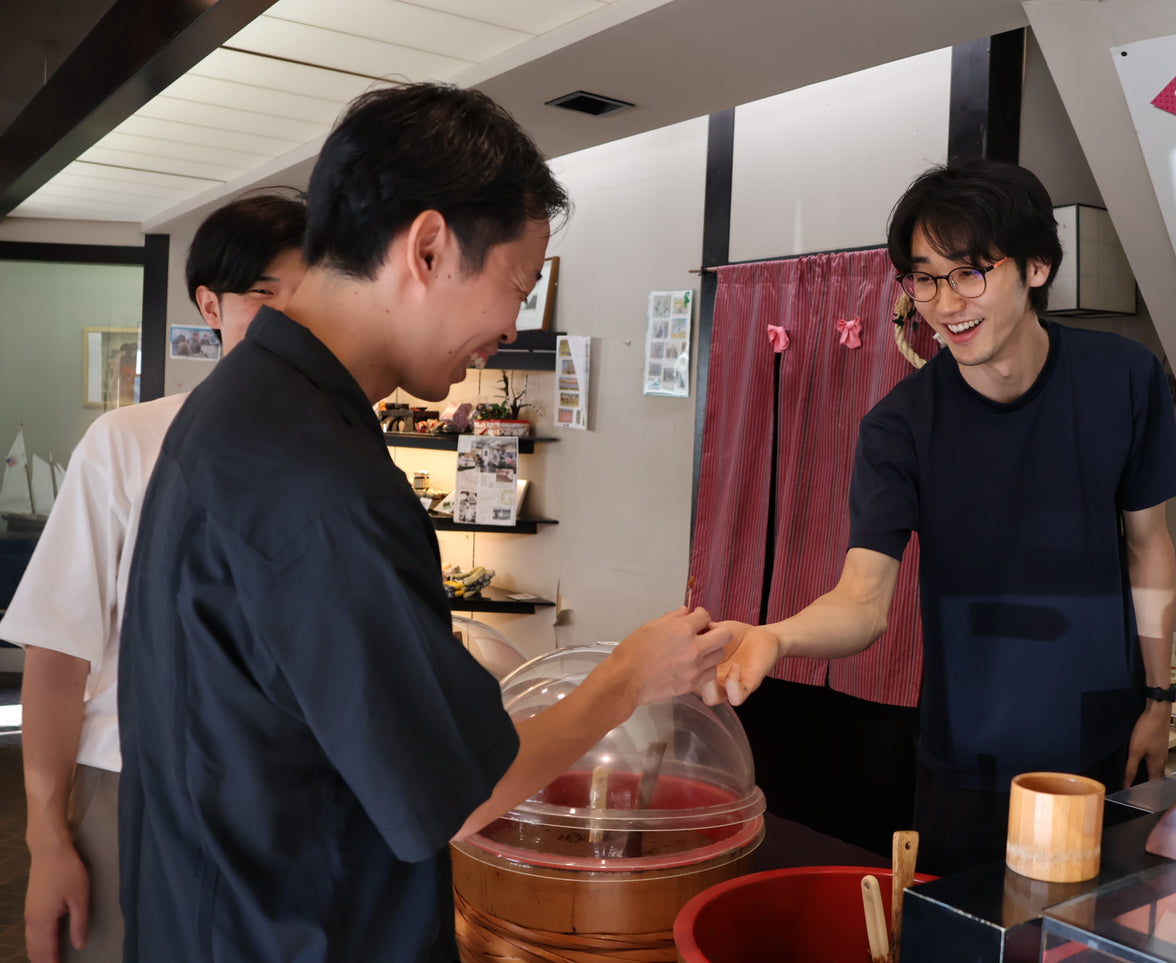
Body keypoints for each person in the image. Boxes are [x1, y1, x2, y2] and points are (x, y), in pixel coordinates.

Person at [116, 82, 733, 963]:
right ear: (431, 247)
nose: (513, 323)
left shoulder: (241, 411)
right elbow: (458, 792)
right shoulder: (322, 481)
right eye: (518, 285)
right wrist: (627, 678)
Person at [706, 159, 1176, 874]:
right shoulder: (898, 427)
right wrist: (775, 637)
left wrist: (1158, 697)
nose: (943, 302)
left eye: (968, 273)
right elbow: (863, 601)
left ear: (1035, 266)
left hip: (1104, 744)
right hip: (968, 759)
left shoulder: (1123, 377)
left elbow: (1147, 544)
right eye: (924, 276)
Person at [1, 192, 307, 963]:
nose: (291, 321)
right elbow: (56, 651)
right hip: (131, 788)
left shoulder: (341, 460)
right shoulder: (130, 441)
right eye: (265, 296)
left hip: (287, 806)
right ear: (211, 304)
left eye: (312, 295)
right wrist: (46, 834)